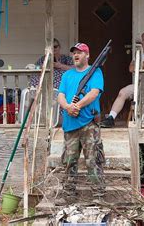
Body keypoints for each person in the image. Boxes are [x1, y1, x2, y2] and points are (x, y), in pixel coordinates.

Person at [56, 42, 105, 205]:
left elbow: (94, 93)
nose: (75, 55)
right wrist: (68, 107)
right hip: (70, 123)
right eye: (74, 53)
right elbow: (60, 95)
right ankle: (69, 195)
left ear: (87, 55)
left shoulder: (95, 72)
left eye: (80, 52)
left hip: (88, 123)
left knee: (93, 160)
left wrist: (78, 105)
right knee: (69, 161)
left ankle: (98, 196)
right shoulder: (67, 75)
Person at [101, 32, 144, 127]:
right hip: (140, 83)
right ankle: (110, 118)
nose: (143, 43)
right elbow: (131, 68)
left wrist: (143, 63)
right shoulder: (139, 54)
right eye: (142, 41)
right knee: (123, 92)